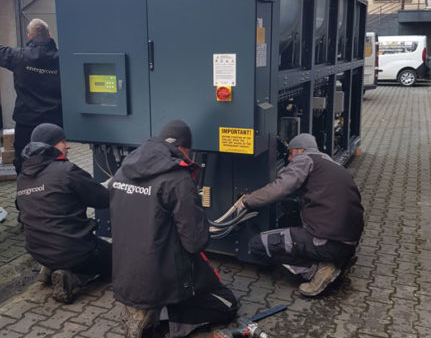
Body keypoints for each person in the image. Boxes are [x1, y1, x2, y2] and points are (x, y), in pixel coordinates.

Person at [109, 120, 237, 338]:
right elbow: (195, 242)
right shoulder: (177, 179)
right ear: (182, 148)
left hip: (123, 278)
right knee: (225, 303)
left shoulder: (122, 171)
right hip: (161, 279)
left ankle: (141, 308)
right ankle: (160, 323)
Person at [240, 133, 364, 297]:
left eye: (290, 154)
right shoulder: (331, 164)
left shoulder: (304, 159)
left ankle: (318, 271)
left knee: (257, 244)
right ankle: (335, 260)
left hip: (326, 242)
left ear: (299, 150)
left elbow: (281, 188)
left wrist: (247, 201)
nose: (290, 160)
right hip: (348, 242)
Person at [16, 123, 111, 304]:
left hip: (37, 250)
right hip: (74, 250)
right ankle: (72, 278)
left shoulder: (22, 177)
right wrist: (114, 185)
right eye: (62, 142)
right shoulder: (66, 171)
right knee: (116, 262)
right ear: (50, 146)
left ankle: (50, 268)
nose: (67, 146)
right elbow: (102, 199)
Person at [0, 19, 62, 174]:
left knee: (24, 163)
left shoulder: (19, 56)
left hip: (27, 124)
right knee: (56, 163)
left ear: (29, 36)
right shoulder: (61, 59)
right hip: (55, 122)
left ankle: (27, 193)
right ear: (48, 35)